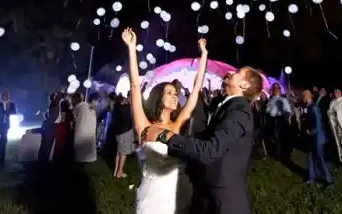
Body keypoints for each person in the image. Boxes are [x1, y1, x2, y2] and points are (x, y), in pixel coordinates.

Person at [145, 65, 263, 214]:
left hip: (224, 199)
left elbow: (210, 150)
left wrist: (167, 137)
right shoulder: (227, 105)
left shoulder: (239, 111)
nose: (231, 72)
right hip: (209, 190)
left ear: (244, 85)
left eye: (237, 73)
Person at [122, 27, 209, 214]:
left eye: (175, 93)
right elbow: (135, 85)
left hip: (176, 198)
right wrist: (131, 47)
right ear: (158, 97)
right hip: (150, 199)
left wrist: (204, 56)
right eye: (169, 93)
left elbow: (196, 89)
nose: (174, 96)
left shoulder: (177, 125)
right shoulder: (144, 126)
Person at [302, 90, 334, 187]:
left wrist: (311, 132)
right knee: (310, 157)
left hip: (318, 137)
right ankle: (311, 178)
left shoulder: (314, 107)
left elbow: (318, 123)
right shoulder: (309, 107)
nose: (302, 99)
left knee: (320, 159)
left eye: (303, 97)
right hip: (312, 137)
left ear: (306, 97)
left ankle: (329, 180)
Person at [112, 94, 134, 177]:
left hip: (118, 132)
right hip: (125, 132)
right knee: (123, 153)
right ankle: (119, 172)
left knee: (118, 152)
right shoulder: (127, 108)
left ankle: (115, 171)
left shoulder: (116, 107)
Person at [72, 92, 97, 163]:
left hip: (83, 131)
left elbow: (74, 117)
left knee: (81, 151)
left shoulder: (80, 106)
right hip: (86, 132)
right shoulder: (84, 106)